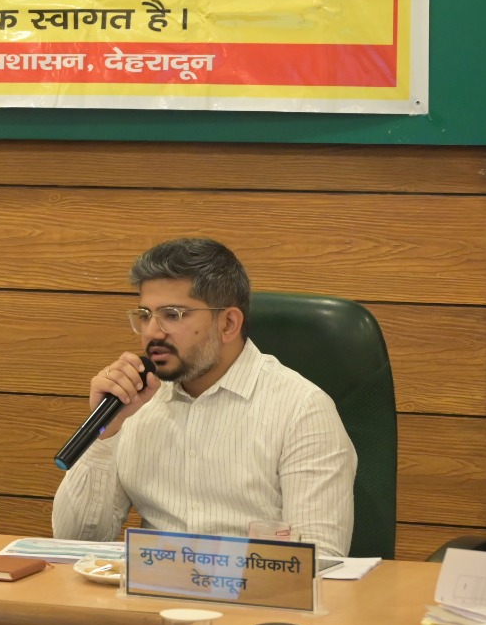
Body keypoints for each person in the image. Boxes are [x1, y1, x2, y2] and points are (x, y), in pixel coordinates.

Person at [52, 238, 357, 557]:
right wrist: (107, 431)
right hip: (150, 586)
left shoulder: (302, 410)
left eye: (172, 315)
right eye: (145, 314)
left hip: (256, 587)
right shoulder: (135, 402)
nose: (152, 332)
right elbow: (73, 540)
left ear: (228, 324)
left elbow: (319, 559)